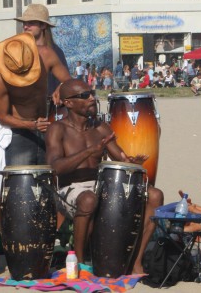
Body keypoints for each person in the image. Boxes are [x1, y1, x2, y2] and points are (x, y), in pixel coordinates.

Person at [45, 79, 164, 274]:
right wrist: (90, 151)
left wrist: (133, 162)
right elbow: (55, 167)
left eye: (91, 92)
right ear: (68, 103)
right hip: (70, 189)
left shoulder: (101, 128)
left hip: (101, 184)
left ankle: (136, 259)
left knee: (155, 195)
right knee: (89, 199)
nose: (92, 98)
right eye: (84, 96)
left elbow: (121, 157)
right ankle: (80, 263)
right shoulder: (57, 129)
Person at [0, 3, 71, 166]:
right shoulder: (0, 78)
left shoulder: (48, 54)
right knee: (21, 184)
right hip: (20, 132)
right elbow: (2, 117)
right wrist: (30, 125)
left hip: (46, 123)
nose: (26, 25)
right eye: (24, 22)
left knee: (48, 179)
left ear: (43, 25)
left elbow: (70, 81)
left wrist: (61, 86)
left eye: (31, 22)